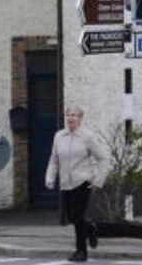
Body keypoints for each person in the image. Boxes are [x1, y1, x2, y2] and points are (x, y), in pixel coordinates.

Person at [45, 105, 109, 262]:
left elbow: (103, 159)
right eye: (68, 115)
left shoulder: (88, 136)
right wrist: (50, 178)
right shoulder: (59, 136)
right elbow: (54, 160)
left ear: (80, 119)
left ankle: (81, 251)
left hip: (83, 181)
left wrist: (98, 181)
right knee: (71, 217)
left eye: (74, 115)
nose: (70, 118)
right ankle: (91, 228)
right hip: (65, 183)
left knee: (77, 215)